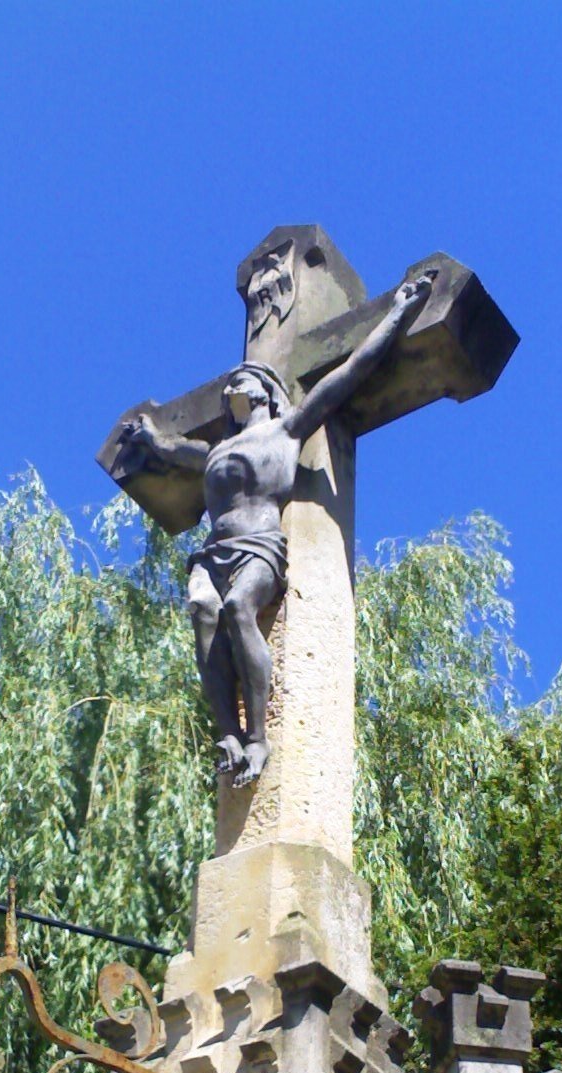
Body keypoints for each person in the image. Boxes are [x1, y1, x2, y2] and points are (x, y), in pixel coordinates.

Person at [121, 271, 435, 787]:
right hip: (214, 551)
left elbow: (352, 371)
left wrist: (399, 311)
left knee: (238, 607)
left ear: (266, 391)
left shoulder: (288, 431)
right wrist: (148, 436)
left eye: (243, 380)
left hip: (260, 545)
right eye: (231, 383)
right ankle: (228, 733)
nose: (232, 386)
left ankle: (259, 736)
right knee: (202, 610)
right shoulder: (215, 451)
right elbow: (170, 450)